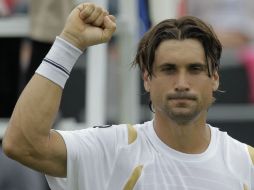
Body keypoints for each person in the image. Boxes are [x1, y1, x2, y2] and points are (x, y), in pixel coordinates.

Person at [2, 2, 254, 190]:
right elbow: (21, 143)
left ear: (215, 78)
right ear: (146, 78)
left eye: (195, 69)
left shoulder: (247, 164)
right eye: (168, 69)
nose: (181, 83)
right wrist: (69, 43)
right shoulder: (110, 150)